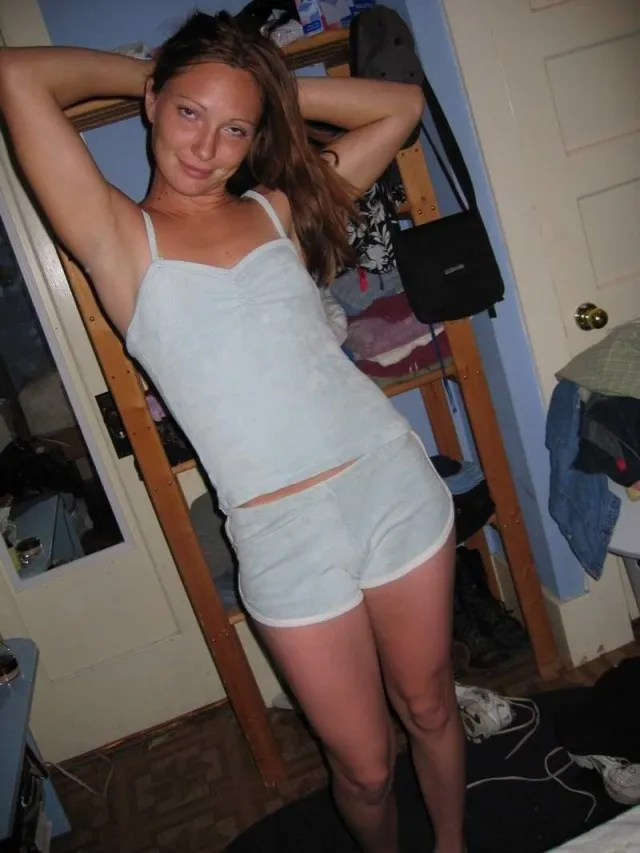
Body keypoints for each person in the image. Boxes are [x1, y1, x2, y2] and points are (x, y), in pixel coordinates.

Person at [0, 12, 465, 853]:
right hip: (280, 534)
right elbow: (15, 75)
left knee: (430, 704)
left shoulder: (279, 208)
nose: (207, 145)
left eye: (236, 128)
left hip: (389, 481)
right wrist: (154, 72)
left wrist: (268, 85)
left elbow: (399, 108)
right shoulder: (116, 236)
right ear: (153, 103)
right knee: (363, 766)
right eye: (189, 112)